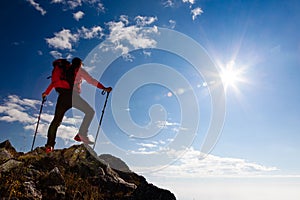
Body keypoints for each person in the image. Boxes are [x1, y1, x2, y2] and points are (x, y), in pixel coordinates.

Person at [42, 57, 112, 153]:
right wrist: (104, 88)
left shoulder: (64, 71)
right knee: (90, 112)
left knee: (56, 121)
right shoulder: (79, 70)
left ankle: (49, 145)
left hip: (62, 97)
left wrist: (46, 93)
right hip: (73, 97)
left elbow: (54, 83)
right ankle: (81, 134)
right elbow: (91, 81)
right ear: (80, 64)